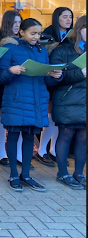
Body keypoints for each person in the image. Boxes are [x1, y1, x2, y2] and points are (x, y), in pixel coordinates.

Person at [0, 18, 62, 192]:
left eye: (39, 33)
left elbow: (45, 78)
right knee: (13, 135)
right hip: (16, 99)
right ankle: (13, 174)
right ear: (22, 32)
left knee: (28, 137)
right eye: (33, 33)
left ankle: (25, 175)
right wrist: (11, 71)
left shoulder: (42, 51)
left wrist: (55, 76)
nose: (36, 37)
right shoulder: (9, 48)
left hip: (36, 99)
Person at [49, 16, 86, 189]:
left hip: (84, 101)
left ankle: (79, 173)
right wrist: (82, 73)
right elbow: (57, 77)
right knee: (65, 136)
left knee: (83, 138)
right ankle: (62, 173)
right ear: (79, 30)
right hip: (67, 100)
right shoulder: (62, 50)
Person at [36, 7, 74, 168]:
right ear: (56, 18)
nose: (68, 20)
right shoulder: (47, 34)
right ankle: (42, 150)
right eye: (64, 16)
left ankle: (54, 150)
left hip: (68, 79)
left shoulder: (74, 35)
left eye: (70, 17)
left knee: (60, 116)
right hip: (51, 77)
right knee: (51, 114)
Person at [0, 10, 23, 167]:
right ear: (7, 23)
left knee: (20, 117)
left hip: (19, 82)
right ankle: (1, 151)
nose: (17, 26)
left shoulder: (23, 40)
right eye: (14, 23)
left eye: (20, 23)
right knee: (0, 116)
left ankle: (19, 153)